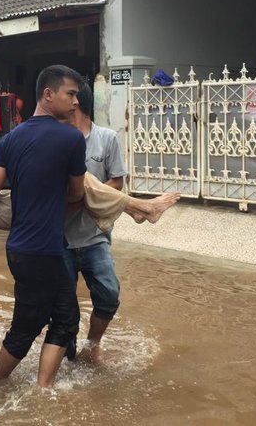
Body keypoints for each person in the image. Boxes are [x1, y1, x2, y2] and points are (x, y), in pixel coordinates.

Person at [0, 64, 87, 388]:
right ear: (48, 94)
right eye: (71, 94)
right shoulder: (71, 138)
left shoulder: (12, 138)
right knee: (28, 324)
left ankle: (43, 389)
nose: (76, 102)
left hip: (20, 248)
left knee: (66, 318)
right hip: (44, 250)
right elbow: (78, 193)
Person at [64, 82, 179, 364]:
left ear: (76, 103)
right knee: (64, 307)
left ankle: (92, 346)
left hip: (95, 235)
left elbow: (117, 179)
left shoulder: (106, 138)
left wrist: (87, 198)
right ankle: (65, 357)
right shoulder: (59, 140)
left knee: (108, 294)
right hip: (61, 237)